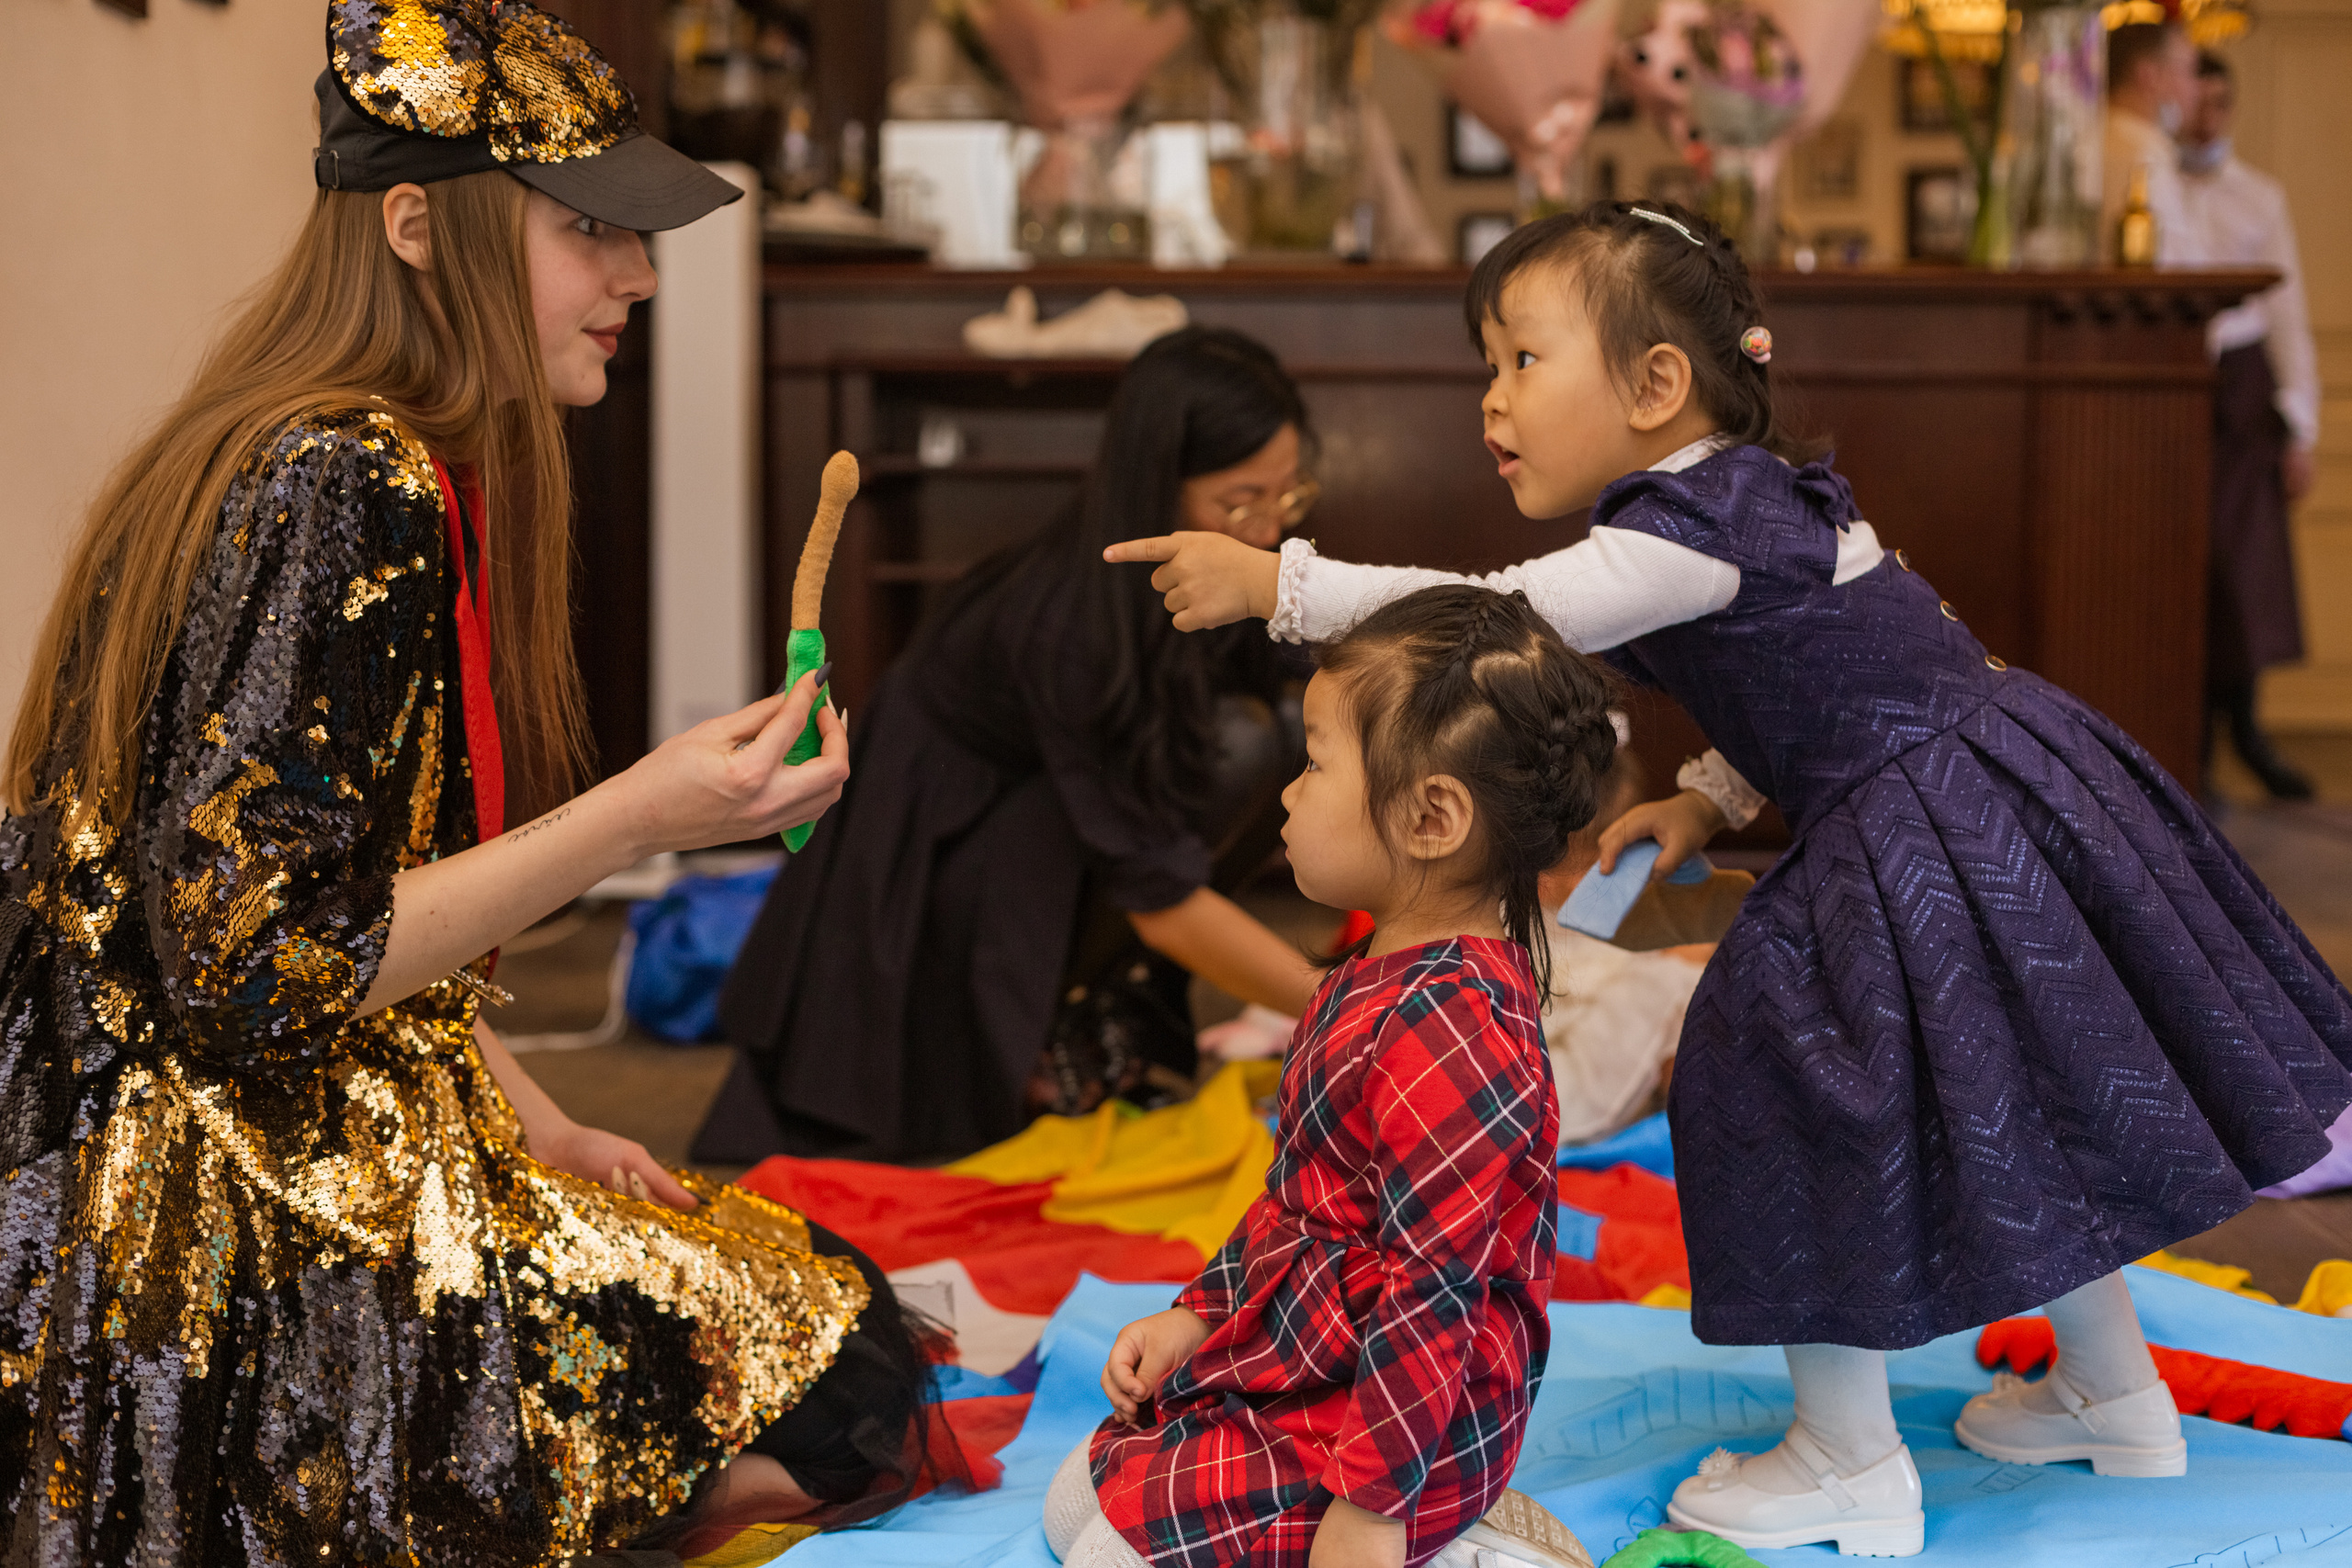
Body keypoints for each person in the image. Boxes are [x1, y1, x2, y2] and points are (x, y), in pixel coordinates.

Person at [1106, 201, 2352, 1556]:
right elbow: (1836, 667)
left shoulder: (1688, 527)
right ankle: (2116, 1394)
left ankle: (1848, 1453)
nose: (1493, 399)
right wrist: (1706, 800)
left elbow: (1494, 616)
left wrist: (1276, 584)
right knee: (2029, 1094)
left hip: (1918, 832)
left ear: (1656, 385)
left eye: (1524, 360)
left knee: (1771, 1080)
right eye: (1490, 365)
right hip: (1978, 795)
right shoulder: (1745, 499)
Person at [0, 5, 952, 1561]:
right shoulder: (345, 478)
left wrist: (541, 1118)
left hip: (248, 1130)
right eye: (592, 233)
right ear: (417, 226)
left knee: (825, 1331)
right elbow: (252, 966)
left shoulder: (323, 447)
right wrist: (640, 815)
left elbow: (335, 897)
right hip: (226, 1211)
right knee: (846, 1374)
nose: (638, 279)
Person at [1046, 585, 1613, 1568]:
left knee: (1106, 1553)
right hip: (1310, 1350)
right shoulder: (1374, 971)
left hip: (1406, 1418)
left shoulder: (1454, 1029)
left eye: (1313, 766)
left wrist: (1374, 1510)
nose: (1287, 793)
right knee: (1073, 1503)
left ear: (1431, 817)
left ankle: (1465, 1540)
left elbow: (1435, 1294)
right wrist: (1198, 1315)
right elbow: (1294, 1200)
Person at [704, 328, 1326, 1166]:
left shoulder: (1195, 562)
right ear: (1159, 484)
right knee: (1238, 749)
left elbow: (1308, 662)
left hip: (1035, 817)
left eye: (1285, 499)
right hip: (926, 874)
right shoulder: (1075, 619)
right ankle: (1028, 1036)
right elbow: (1159, 894)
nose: (1263, 528)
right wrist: (1348, 1014)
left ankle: (1076, 1010)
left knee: (1290, 727)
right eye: (1240, 501)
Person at [2181, 51, 2324, 799]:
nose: (2206, 116)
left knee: (2244, 571)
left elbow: (2288, 316)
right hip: (2167, 386)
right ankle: (2188, 744)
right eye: (2194, 101)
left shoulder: (2260, 197)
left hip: (2241, 394)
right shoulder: (2146, 182)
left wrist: (2301, 424)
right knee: (2183, 567)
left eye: (2217, 104)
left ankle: (2249, 731)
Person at [2102, 21, 2205, 265]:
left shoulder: (2089, 140)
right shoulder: (2143, 156)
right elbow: (2169, 266)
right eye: (2189, 71)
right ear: (2150, 76)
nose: (2197, 89)